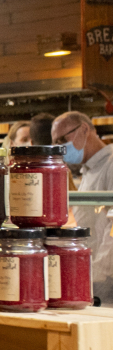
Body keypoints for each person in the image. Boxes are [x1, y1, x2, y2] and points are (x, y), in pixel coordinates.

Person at [53, 111, 113, 304]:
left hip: (107, 276)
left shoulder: (111, 163)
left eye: (63, 139)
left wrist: (99, 273)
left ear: (85, 129)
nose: (60, 147)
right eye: (56, 143)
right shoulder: (88, 170)